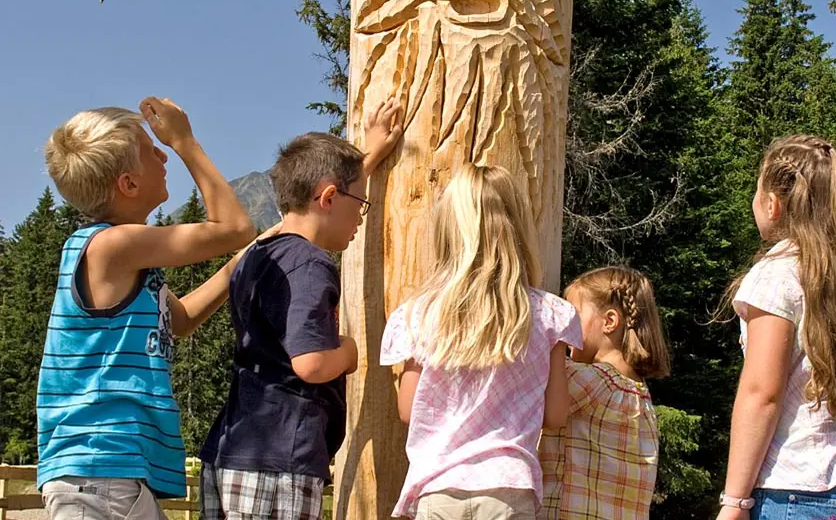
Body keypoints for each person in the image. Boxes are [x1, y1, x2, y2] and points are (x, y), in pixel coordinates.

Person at [37, 98, 257, 519]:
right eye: (151, 148)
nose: (162, 153)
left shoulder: (126, 258)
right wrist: (184, 141)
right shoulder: (110, 247)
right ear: (129, 184)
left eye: (163, 145)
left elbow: (181, 319)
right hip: (98, 469)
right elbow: (233, 227)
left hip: (110, 474)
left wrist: (247, 257)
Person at [198, 98, 403, 520]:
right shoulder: (310, 264)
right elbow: (310, 363)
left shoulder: (259, 255)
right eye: (360, 204)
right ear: (328, 197)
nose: (361, 217)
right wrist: (349, 352)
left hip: (235, 450)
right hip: (280, 460)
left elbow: (331, 189)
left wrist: (368, 154)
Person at [380, 163, 584, 519]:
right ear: (518, 226)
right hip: (510, 486)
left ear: (446, 232)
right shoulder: (551, 315)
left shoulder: (417, 315)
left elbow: (409, 409)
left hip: (439, 485)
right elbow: (555, 413)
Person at [716, 135, 836, 520]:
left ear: (773, 203)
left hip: (797, 488)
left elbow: (761, 393)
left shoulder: (777, 275)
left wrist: (734, 502)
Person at [539, 265, 671, 519]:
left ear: (609, 321)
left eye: (573, 314)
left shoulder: (591, 381)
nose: (566, 324)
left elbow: (530, 375)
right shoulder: (641, 398)